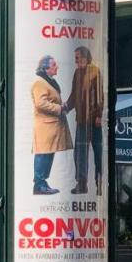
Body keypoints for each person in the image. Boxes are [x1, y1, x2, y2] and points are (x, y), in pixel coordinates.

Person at [64, 46, 104, 196]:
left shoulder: (95, 71)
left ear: (86, 57)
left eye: (77, 58)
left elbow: (100, 95)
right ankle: (81, 184)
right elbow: (74, 94)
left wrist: (99, 115)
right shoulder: (77, 73)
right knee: (80, 153)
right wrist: (66, 107)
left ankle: (99, 183)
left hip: (94, 120)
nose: (75, 61)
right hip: (81, 120)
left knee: (98, 152)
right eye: (75, 58)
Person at [31, 55, 72, 195]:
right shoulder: (40, 83)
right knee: (43, 154)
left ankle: (42, 183)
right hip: (45, 127)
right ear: (46, 68)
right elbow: (40, 103)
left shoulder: (49, 82)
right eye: (54, 65)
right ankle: (39, 184)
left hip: (51, 127)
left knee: (48, 155)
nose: (57, 67)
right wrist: (59, 108)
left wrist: (62, 105)